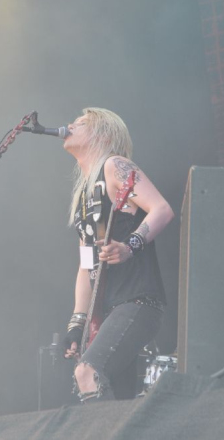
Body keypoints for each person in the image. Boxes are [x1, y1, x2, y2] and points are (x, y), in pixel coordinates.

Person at [60, 108, 174, 402]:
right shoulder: (84, 195)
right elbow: (86, 265)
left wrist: (129, 246)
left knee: (88, 372)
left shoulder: (114, 166)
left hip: (137, 300)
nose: (70, 125)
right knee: (120, 399)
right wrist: (78, 323)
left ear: (103, 134)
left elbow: (161, 209)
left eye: (81, 123)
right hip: (107, 311)